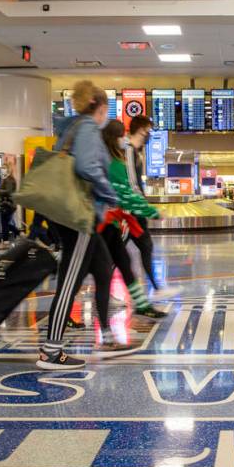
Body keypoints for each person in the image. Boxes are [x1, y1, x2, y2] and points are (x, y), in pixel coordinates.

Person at [40, 80, 121, 370]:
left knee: (102, 268)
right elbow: (87, 167)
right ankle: (51, 350)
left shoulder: (72, 127)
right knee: (70, 280)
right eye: (106, 111)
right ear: (99, 108)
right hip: (79, 216)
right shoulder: (87, 128)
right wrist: (110, 195)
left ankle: (108, 333)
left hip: (74, 213)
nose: (106, 117)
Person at [100, 119, 168, 319]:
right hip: (100, 223)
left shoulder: (110, 160)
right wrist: (152, 212)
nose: (125, 139)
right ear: (115, 139)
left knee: (124, 262)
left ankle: (141, 304)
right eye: (122, 135)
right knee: (88, 270)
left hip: (110, 221)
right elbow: (128, 193)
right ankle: (104, 329)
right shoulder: (115, 164)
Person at [125, 115, 181, 300]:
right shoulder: (129, 150)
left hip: (133, 210)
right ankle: (155, 288)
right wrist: (148, 209)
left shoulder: (135, 151)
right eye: (148, 130)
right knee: (117, 252)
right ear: (141, 130)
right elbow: (133, 185)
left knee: (144, 247)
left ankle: (156, 287)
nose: (149, 135)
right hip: (129, 211)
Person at [0, 169, 18, 250]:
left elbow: (8, 192)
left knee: (5, 224)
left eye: (4, 168)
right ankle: (19, 233)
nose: (2, 171)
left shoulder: (9, 180)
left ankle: (5, 243)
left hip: (7, 204)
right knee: (6, 224)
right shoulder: (9, 179)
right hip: (8, 204)